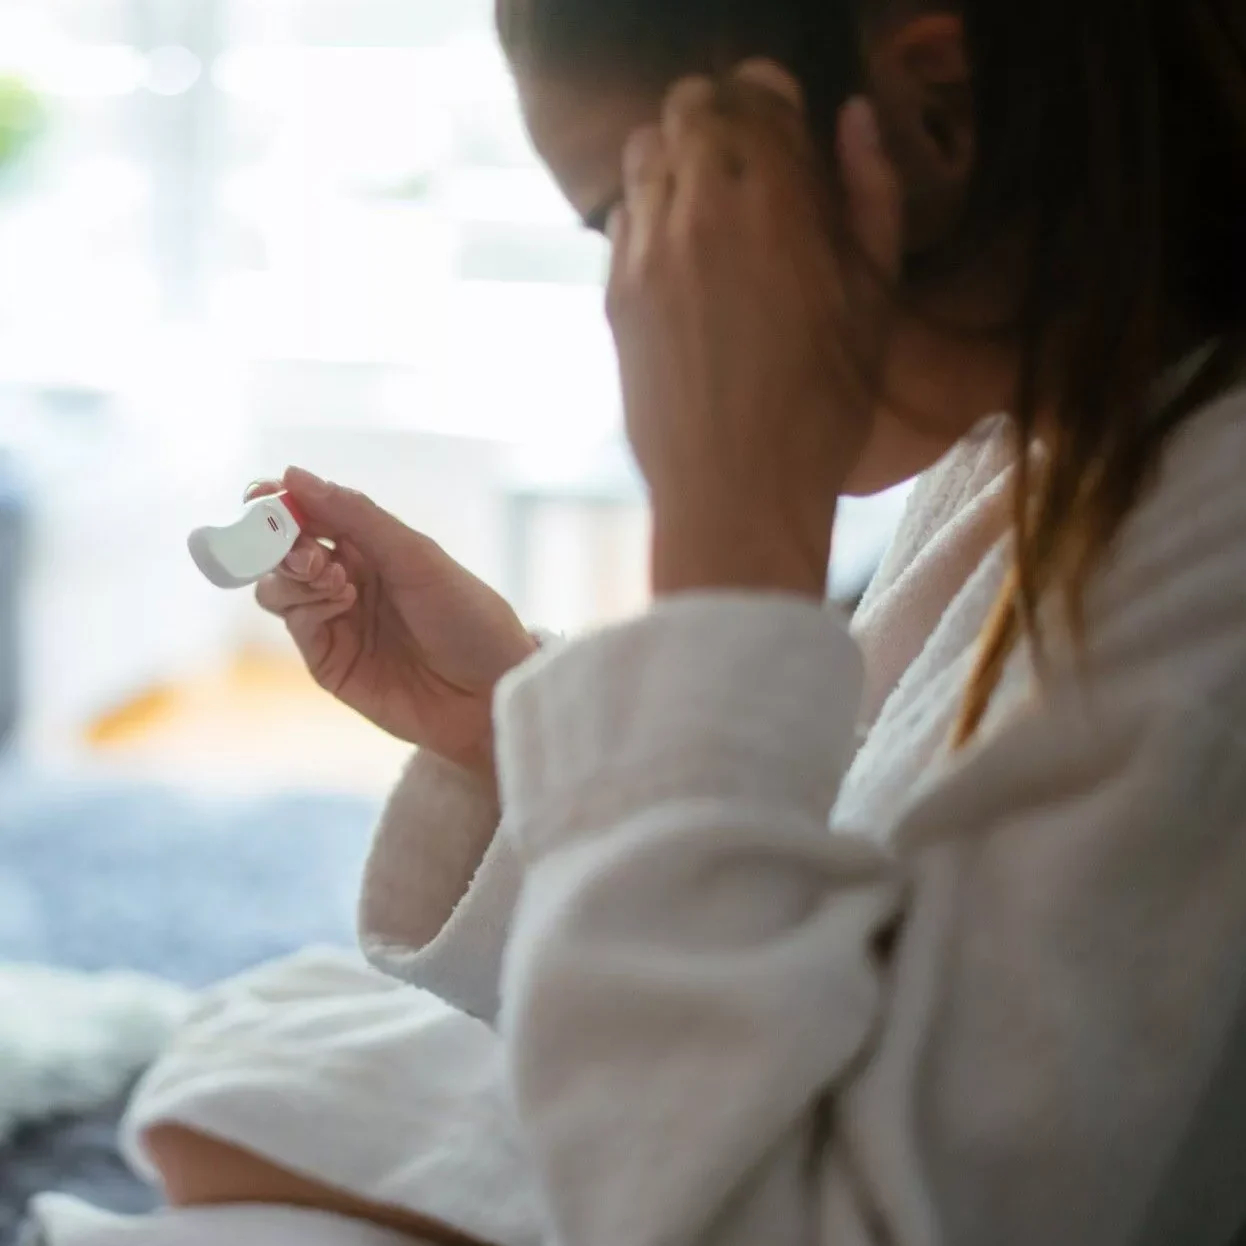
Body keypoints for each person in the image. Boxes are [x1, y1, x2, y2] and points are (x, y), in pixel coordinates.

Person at [27, 0, 1246, 1242]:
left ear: (936, 110)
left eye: (643, 212)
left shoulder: (1207, 589)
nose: (640, 298)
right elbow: (835, 878)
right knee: (256, 1059)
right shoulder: (1044, 433)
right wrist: (506, 718)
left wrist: (730, 546)